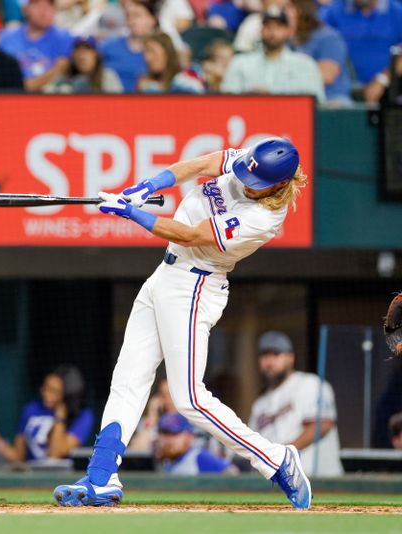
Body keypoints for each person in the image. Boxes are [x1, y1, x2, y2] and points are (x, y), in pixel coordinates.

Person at [54, 136, 313, 509]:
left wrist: (132, 214)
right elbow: (201, 165)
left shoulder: (264, 219)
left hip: (195, 286)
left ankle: (275, 460)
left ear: (277, 185)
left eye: (255, 183)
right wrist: (148, 186)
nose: (244, 181)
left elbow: (192, 235)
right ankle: (101, 476)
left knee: (189, 398)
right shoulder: (253, 162)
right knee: (128, 376)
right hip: (165, 274)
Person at [249, 331, 344, 477]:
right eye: (264, 355)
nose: (268, 362)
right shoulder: (259, 405)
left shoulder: (310, 384)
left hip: (319, 477)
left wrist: (284, 454)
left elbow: (322, 425)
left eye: (275, 354)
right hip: (280, 480)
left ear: (290, 358)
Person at [0, 365, 95, 462]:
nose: (46, 394)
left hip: (61, 477)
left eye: (54, 391)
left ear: (66, 395)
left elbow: (55, 455)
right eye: (45, 388)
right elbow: (18, 456)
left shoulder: (83, 416)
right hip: (31, 475)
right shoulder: (31, 409)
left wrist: (60, 416)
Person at [221, 8, 325, 101]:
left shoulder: (305, 64)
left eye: (278, 27)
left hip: (291, 119)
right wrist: (249, 97)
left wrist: (273, 99)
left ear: (288, 31)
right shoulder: (241, 63)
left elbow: (317, 104)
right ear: (261, 30)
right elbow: (227, 100)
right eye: (268, 27)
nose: (272, 32)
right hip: (250, 117)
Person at [322, 0, 402, 102]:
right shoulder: (333, 11)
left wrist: (383, 79)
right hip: (344, 89)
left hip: (388, 89)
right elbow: (319, 40)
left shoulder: (397, 12)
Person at [0, 0, 73, 92]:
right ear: (25, 9)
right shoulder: (6, 36)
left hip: (47, 98)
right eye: (38, 5)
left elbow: (61, 71)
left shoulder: (64, 38)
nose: (44, 12)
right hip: (6, 96)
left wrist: (27, 85)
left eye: (49, 6)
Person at [287, 0, 351, 104]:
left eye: (288, 8)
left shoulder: (327, 37)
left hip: (331, 97)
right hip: (294, 99)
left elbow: (326, 76)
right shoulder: (284, 42)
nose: (283, 13)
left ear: (301, 10)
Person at [99, 0, 155, 92]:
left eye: (137, 16)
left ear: (152, 20)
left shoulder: (159, 52)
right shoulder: (109, 46)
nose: (131, 21)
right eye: (128, 16)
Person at [155, 413, 238, 475]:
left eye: (174, 434)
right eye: (165, 433)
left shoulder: (199, 457)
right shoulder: (164, 459)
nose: (169, 440)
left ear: (188, 436)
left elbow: (232, 472)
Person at [50, 35, 123, 93]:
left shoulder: (107, 76)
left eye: (86, 50)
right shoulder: (64, 77)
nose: (81, 55)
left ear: (95, 54)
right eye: (78, 50)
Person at [128, 377, 175, 451]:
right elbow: (136, 449)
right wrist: (152, 414)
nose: (167, 400)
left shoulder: (191, 419)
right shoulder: (152, 420)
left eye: (172, 395)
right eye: (163, 395)